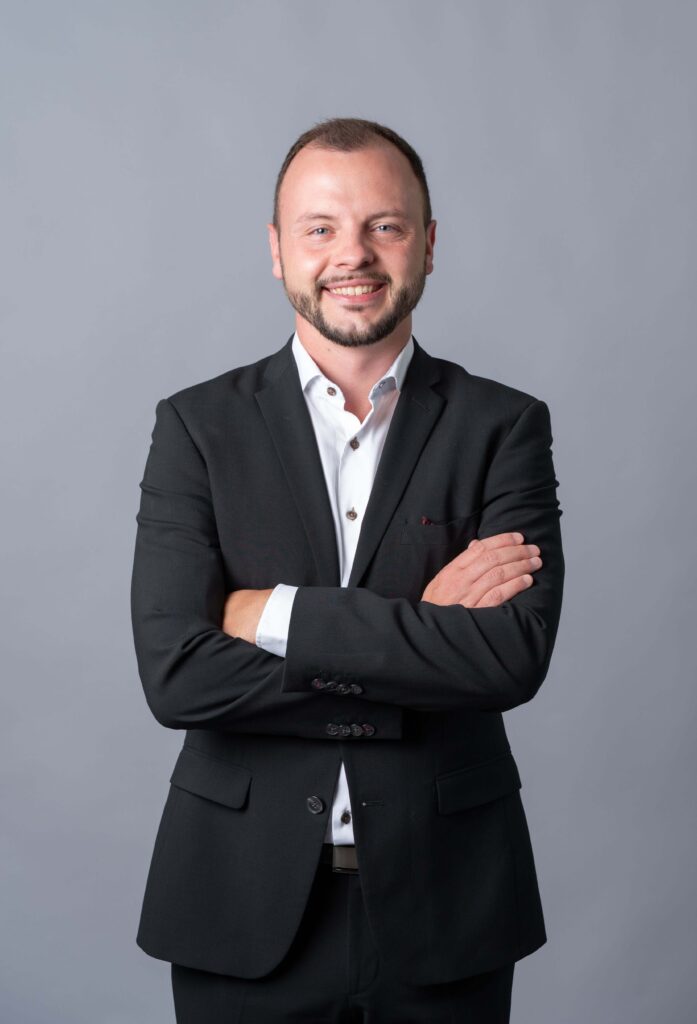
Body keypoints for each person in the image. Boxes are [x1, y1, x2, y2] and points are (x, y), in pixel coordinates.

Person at [130, 117, 565, 1023]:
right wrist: (422, 638)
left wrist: (272, 615)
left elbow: (509, 660)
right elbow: (177, 676)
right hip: (236, 902)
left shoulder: (503, 427)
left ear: (428, 244)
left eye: (384, 225)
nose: (352, 255)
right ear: (277, 249)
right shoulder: (197, 427)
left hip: (449, 901)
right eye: (320, 227)